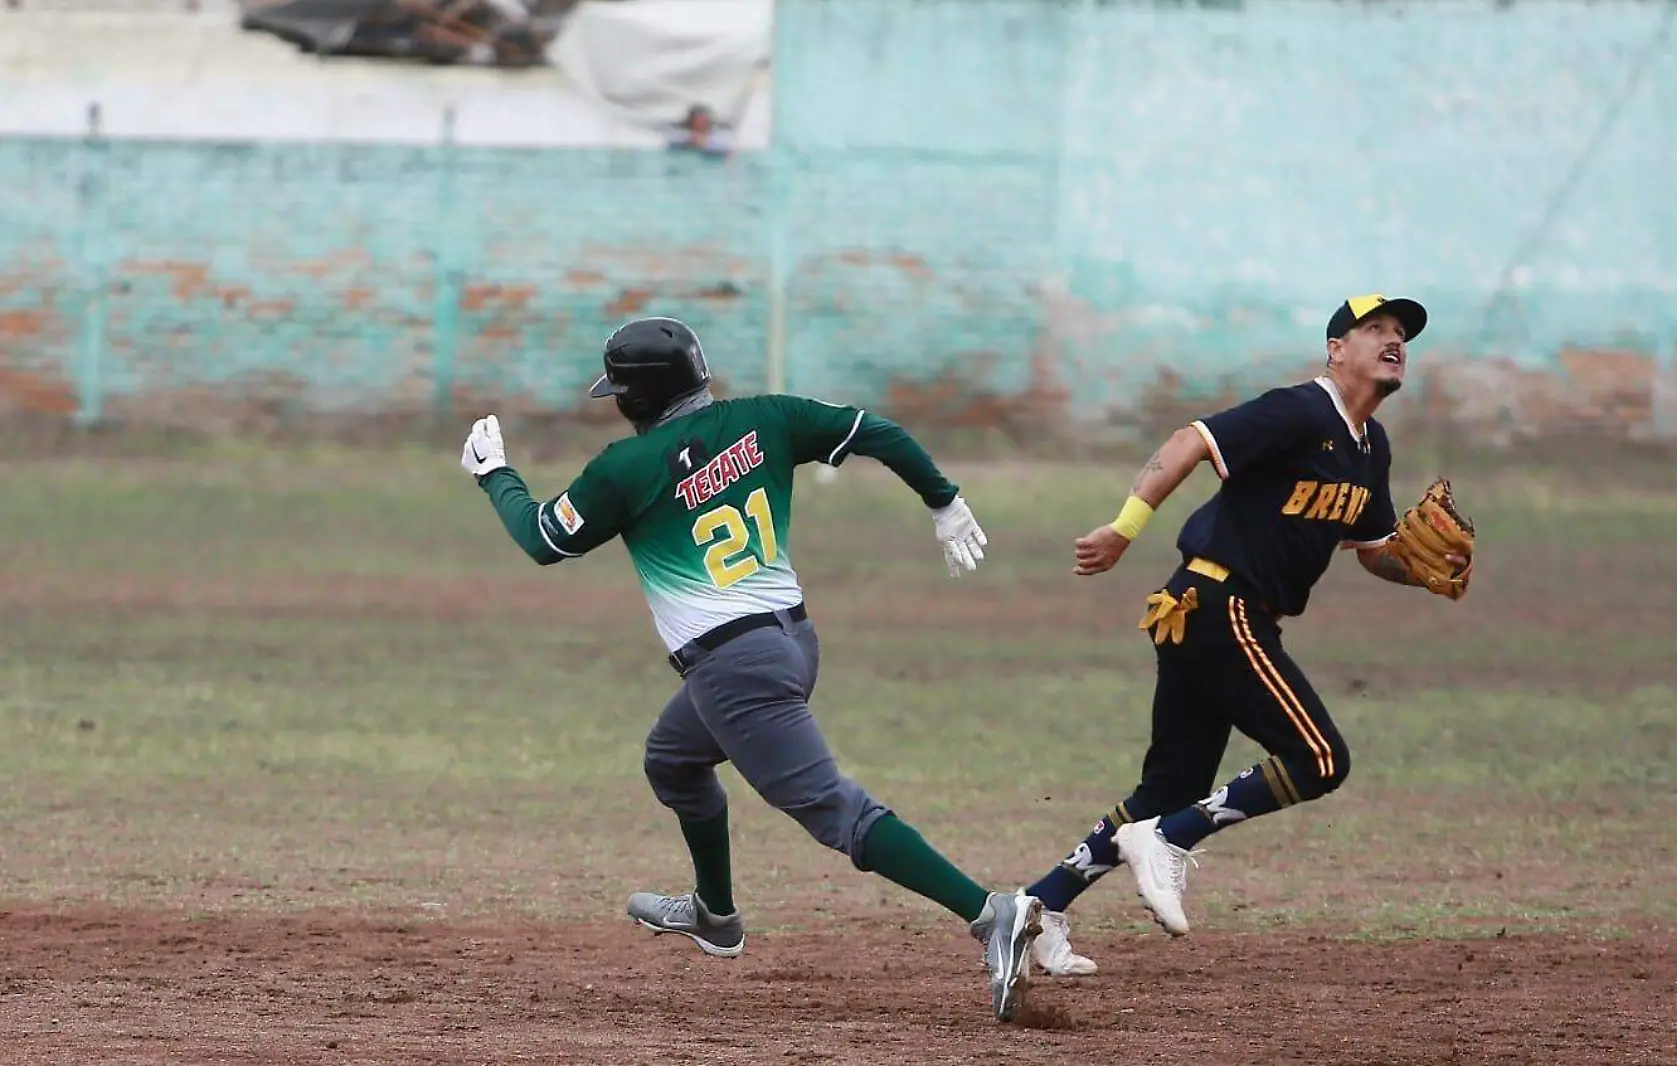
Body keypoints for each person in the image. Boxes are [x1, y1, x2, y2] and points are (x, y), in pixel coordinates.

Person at [459, 316, 1043, 1022]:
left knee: (837, 812)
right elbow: (879, 433)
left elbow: (543, 538)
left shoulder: (625, 469)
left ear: (634, 399)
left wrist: (495, 475)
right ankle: (716, 915)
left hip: (735, 669)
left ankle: (990, 913)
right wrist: (943, 500)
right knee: (673, 759)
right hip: (792, 642)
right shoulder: (770, 419)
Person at [1019, 294, 1470, 974]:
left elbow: (1374, 549)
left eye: (1401, 333)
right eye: (1374, 329)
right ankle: (1168, 841)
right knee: (1319, 759)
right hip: (1217, 601)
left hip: (1214, 611)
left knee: (1166, 789)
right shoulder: (1300, 410)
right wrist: (1123, 530)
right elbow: (1189, 443)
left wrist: (1428, 571)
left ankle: (1034, 909)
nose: (1393, 340)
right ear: (1335, 349)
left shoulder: (1370, 447)